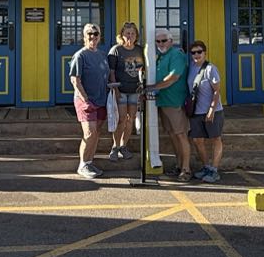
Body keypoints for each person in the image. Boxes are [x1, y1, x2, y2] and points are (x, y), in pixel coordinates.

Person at [146, 28, 192, 181]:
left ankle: (186, 169)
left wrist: (151, 88)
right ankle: (179, 165)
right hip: (163, 101)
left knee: (181, 135)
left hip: (175, 102)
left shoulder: (177, 55)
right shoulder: (159, 56)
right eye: (158, 41)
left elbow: (173, 78)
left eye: (164, 40)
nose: (161, 43)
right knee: (172, 135)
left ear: (171, 41)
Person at [68, 23, 109, 179]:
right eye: (89, 34)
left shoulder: (102, 55)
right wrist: (85, 100)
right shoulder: (80, 55)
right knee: (90, 132)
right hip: (85, 101)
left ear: (99, 36)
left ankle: (90, 161)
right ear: (84, 37)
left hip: (101, 100)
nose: (93, 36)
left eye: (95, 33)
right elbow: (75, 80)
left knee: (96, 132)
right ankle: (83, 164)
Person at [187, 40, 224, 183]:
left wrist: (211, 110)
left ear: (204, 53)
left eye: (199, 52)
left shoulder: (210, 69)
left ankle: (214, 169)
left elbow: (216, 91)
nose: (196, 55)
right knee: (197, 140)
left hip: (212, 110)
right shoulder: (191, 68)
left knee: (216, 138)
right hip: (196, 111)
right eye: (193, 52)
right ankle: (206, 166)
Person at [108, 22, 144, 162]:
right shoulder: (116, 50)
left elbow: (143, 69)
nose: (130, 36)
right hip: (121, 89)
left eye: (133, 33)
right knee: (122, 119)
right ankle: (115, 147)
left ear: (136, 36)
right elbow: (111, 72)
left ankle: (124, 145)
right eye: (127, 33)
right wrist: (115, 89)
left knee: (131, 119)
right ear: (122, 35)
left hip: (135, 90)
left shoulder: (140, 50)